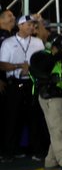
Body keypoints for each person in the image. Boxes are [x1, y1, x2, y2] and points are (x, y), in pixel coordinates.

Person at [29, 34, 62, 170]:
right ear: (52, 46)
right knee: (58, 130)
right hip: (49, 97)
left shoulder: (60, 57)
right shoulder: (39, 56)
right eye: (61, 47)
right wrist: (61, 55)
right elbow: (44, 67)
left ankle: (51, 161)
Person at [1, 14, 46, 161]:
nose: (32, 27)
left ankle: (37, 151)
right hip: (15, 83)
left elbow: (42, 62)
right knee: (13, 118)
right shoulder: (8, 43)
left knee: (35, 117)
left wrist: (31, 69)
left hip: (32, 83)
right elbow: (2, 65)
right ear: (20, 26)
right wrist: (19, 66)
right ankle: (9, 152)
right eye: (29, 24)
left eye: (33, 25)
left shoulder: (38, 42)